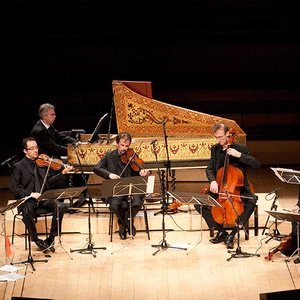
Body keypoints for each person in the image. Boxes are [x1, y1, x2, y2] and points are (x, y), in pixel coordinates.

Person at [195, 123, 261, 249]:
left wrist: (239, 155)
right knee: (199, 204)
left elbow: (257, 165)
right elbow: (209, 169)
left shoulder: (241, 148)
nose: (218, 140)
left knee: (251, 201)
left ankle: (233, 233)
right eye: (216, 137)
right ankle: (222, 232)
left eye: (220, 137)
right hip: (220, 188)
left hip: (238, 188)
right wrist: (213, 181)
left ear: (227, 134)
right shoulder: (215, 149)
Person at [9, 137, 74, 251]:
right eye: (32, 148)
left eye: (36, 147)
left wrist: (62, 173)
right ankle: (35, 239)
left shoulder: (41, 164)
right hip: (27, 200)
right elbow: (13, 187)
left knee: (61, 206)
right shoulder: (18, 166)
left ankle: (51, 238)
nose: (36, 150)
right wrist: (30, 194)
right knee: (27, 211)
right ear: (25, 151)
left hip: (42, 200)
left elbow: (49, 182)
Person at [93, 132, 149, 240]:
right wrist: (109, 174)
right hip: (116, 190)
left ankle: (123, 223)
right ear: (117, 143)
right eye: (122, 145)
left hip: (131, 190)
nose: (124, 148)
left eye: (127, 146)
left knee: (137, 203)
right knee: (114, 204)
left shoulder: (133, 156)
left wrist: (142, 174)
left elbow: (138, 171)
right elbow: (96, 168)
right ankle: (127, 224)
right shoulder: (109, 156)